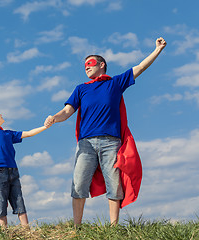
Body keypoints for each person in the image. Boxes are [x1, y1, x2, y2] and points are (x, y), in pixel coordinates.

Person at [44, 37, 167, 226]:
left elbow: (140, 67)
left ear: (102, 65)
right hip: (86, 144)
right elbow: (68, 111)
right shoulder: (81, 89)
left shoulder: (115, 83)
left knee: (114, 185)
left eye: (90, 63)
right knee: (78, 184)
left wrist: (157, 50)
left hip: (111, 142)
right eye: (84, 65)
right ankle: (77, 228)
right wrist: (54, 117)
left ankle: (113, 228)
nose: (86, 67)